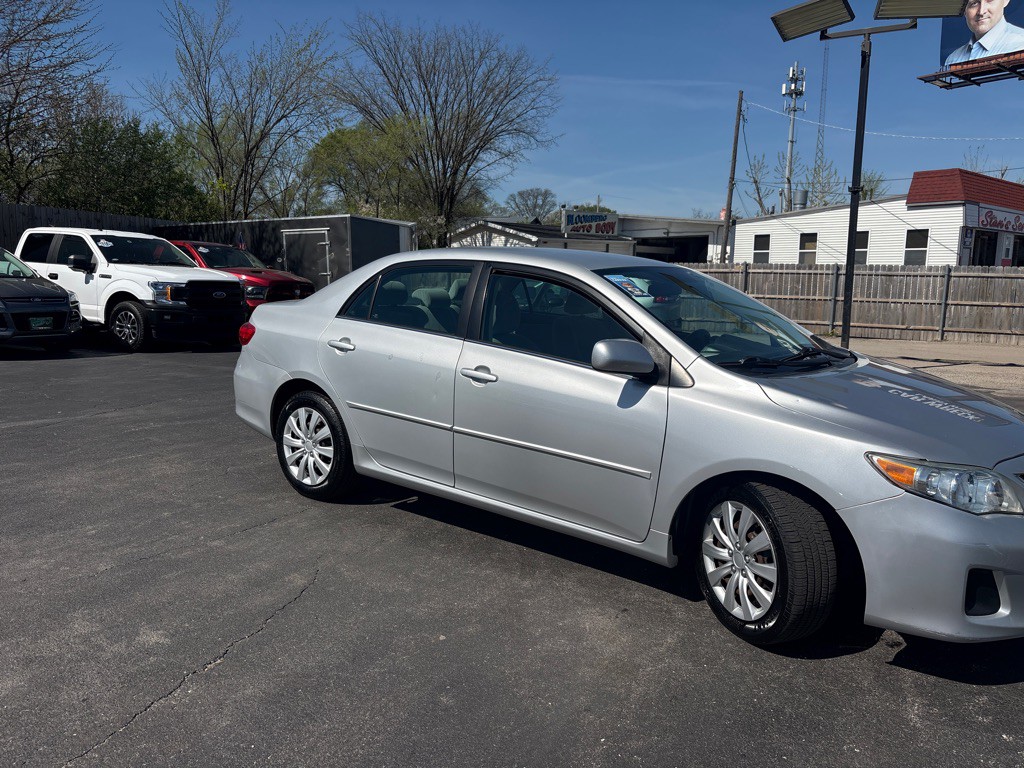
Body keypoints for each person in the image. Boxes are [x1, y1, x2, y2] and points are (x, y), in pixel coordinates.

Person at [945, 0, 1024, 65]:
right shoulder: (953, 60)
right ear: (963, 10)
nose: (981, 12)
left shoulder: (1021, 44)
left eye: (989, 0)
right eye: (974, 3)